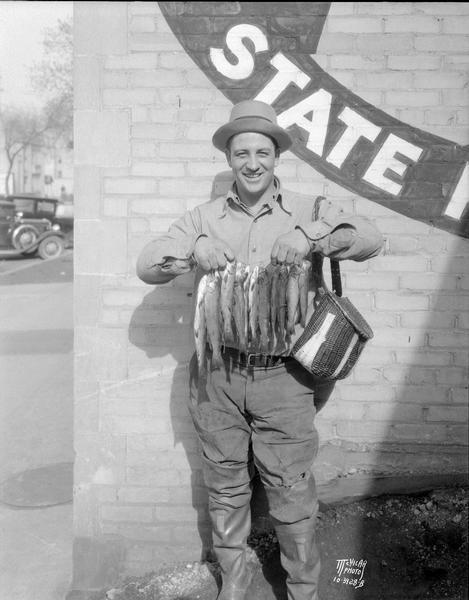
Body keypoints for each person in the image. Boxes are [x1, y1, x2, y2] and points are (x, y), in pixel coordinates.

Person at [137, 100, 383, 600]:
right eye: (241, 151)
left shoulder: (309, 209)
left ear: (276, 157)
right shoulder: (202, 216)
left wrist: (312, 237)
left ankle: (304, 587)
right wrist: (190, 252)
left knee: (290, 489)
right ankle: (236, 578)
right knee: (224, 483)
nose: (252, 162)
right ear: (229, 158)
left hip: (285, 377)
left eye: (262, 152)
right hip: (217, 375)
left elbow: (372, 239)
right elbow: (146, 263)